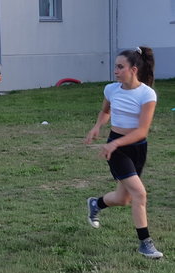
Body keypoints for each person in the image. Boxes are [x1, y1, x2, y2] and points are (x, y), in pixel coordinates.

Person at [84, 46, 163, 259]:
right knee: (140, 194)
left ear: (134, 69)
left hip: (137, 148)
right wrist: (97, 126)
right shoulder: (111, 89)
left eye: (120, 67)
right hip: (116, 148)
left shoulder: (147, 94)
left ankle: (96, 203)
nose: (115, 71)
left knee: (123, 198)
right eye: (115, 67)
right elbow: (105, 111)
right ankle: (145, 243)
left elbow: (142, 131)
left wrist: (116, 145)